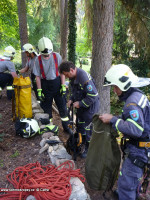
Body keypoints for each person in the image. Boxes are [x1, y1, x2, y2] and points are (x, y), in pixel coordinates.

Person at [99, 64, 150, 200]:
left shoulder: (131, 104)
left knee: (126, 183)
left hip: (139, 151)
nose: (114, 90)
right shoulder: (137, 94)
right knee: (132, 180)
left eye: (115, 87)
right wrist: (114, 119)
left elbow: (136, 129)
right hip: (144, 147)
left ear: (125, 84)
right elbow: (135, 121)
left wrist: (113, 120)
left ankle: (126, 194)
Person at [59, 61, 100, 158]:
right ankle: (81, 143)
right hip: (81, 105)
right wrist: (71, 99)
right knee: (80, 125)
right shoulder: (73, 77)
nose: (67, 77)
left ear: (72, 70)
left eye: (67, 74)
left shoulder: (83, 77)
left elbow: (93, 95)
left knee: (88, 127)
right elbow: (76, 92)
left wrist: (80, 103)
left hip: (91, 106)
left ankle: (89, 148)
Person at [33, 36, 72, 135]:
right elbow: (37, 76)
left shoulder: (57, 56)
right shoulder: (37, 60)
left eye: (48, 54)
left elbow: (62, 73)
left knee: (63, 107)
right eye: (44, 55)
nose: (47, 56)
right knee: (47, 108)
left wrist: (63, 86)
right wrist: (39, 90)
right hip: (45, 85)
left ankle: (66, 127)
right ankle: (50, 127)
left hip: (57, 83)